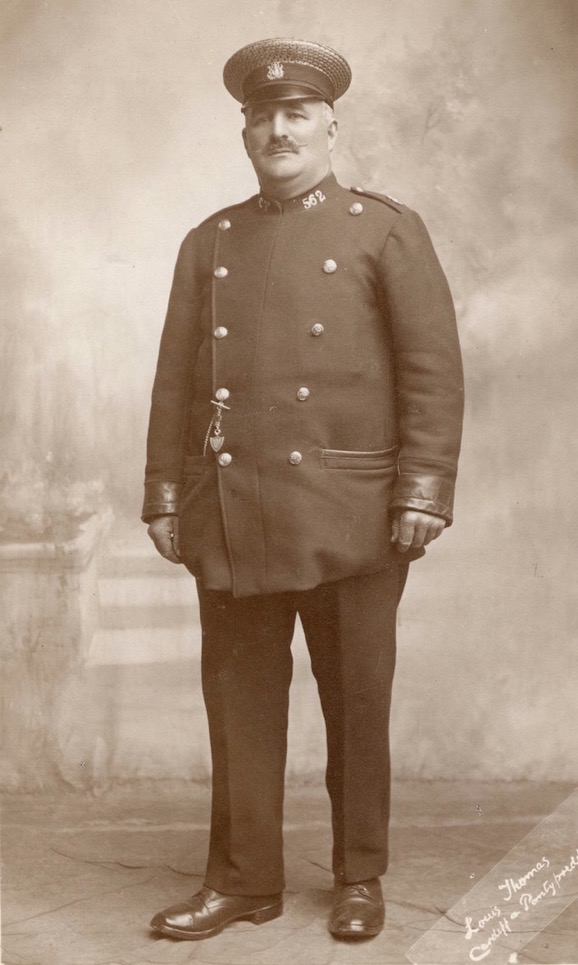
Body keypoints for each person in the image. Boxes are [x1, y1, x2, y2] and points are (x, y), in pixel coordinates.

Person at [143, 37, 463, 942]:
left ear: (331, 125)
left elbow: (431, 371)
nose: (278, 129)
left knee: (357, 701)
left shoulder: (385, 229)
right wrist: (164, 492)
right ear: (245, 132)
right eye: (262, 117)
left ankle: (359, 875)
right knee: (238, 703)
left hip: (356, 515)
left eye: (296, 115)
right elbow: (175, 381)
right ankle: (244, 879)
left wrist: (424, 489)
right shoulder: (210, 242)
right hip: (234, 513)